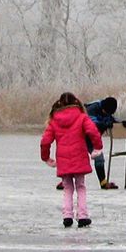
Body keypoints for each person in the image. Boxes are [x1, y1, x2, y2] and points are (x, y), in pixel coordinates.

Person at [40, 92, 104, 228]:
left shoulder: (54, 120)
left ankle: (67, 216)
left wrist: (46, 157)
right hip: (79, 156)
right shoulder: (82, 117)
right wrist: (97, 148)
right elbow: (93, 132)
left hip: (63, 160)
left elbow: (45, 141)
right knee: (80, 187)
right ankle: (82, 216)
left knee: (67, 188)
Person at [54, 96, 121, 190]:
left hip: (91, 138)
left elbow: (110, 119)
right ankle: (64, 182)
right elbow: (91, 123)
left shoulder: (107, 108)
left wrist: (121, 123)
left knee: (99, 158)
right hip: (79, 137)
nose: (107, 114)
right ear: (103, 108)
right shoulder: (92, 108)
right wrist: (104, 124)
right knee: (77, 161)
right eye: (107, 112)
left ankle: (103, 183)